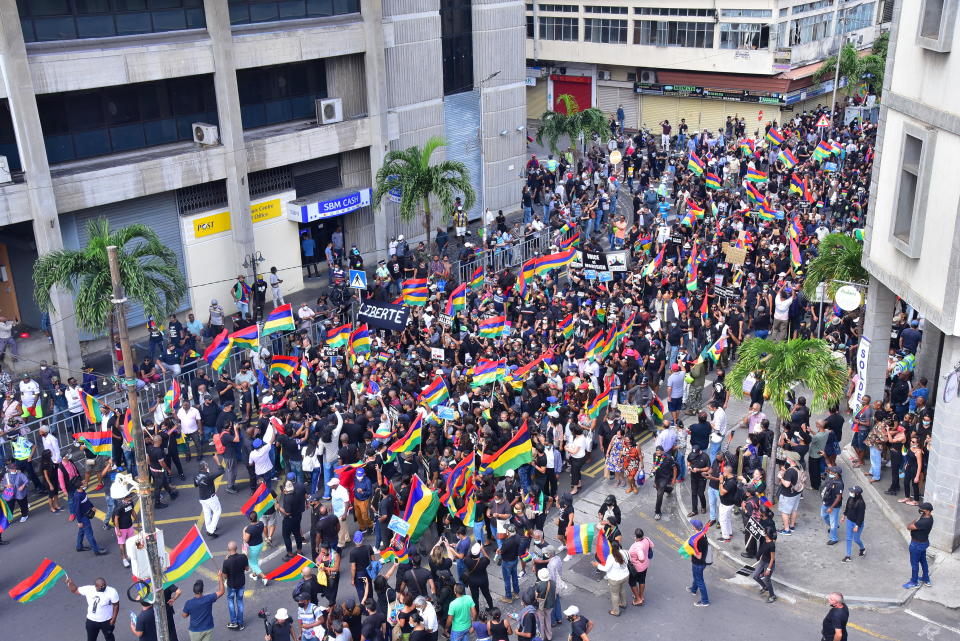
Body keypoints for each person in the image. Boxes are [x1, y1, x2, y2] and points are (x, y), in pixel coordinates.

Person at [66, 576, 120, 641]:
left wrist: (113, 620)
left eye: (104, 585)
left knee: (109, 637)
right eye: (101, 586)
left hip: (106, 621)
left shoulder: (112, 591)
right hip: (91, 621)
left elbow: (116, 605)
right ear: (96, 586)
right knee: (91, 639)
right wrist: (70, 583)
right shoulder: (88, 589)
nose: (103, 587)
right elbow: (75, 590)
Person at [181, 577, 225, 641]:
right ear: (202, 590)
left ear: (194, 591)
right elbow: (222, 591)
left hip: (195, 630)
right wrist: (220, 578)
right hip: (208, 628)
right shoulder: (208, 599)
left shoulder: (189, 603)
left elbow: (184, 615)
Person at [592, 540, 630, 616]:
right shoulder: (625, 552)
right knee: (622, 590)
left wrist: (597, 565)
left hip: (615, 579)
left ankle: (616, 611)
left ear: (611, 548)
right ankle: (623, 603)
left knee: (615, 594)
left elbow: (606, 569)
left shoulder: (611, 557)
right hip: (625, 575)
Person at [70, 484, 109, 555]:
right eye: (83, 483)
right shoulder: (77, 496)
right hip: (83, 517)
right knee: (89, 534)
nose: (85, 483)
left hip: (85, 515)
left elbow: (86, 500)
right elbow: (77, 510)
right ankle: (96, 550)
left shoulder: (83, 492)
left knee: (81, 531)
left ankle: (79, 546)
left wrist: (92, 506)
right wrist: (79, 521)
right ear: (79, 486)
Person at [903, 502, 933, 589]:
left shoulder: (924, 522)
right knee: (923, 561)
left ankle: (914, 582)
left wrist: (914, 521)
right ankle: (926, 578)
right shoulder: (929, 517)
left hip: (916, 544)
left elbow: (909, 527)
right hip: (923, 543)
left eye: (922, 509)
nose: (920, 510)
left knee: (914, 563)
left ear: (927, 511)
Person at [220, 540, 249, 630]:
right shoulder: (243, 557)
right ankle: (240, 623)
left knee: (231, 602)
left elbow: (225, 577)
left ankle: (234, 622)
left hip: (231, 585)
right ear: (236, 548)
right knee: (240, 602)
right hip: (241, 583)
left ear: (228, 549)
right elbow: (247, 568)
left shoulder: (226, 562)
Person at [193, 461, 223, 538]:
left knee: (207, 513)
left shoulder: (196, 476)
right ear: (205, 468)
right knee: (217, 512)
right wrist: (218, 462)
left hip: (202, 498)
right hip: (211, 498)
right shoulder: (208, 476)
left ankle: (209, 528)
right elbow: (221, 471)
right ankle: (211, 530)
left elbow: (196, 485)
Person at [840, 485, 866, 563]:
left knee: (856, 539)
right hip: (849, 521)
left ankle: (862, 548)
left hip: (857, 523)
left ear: (857, 494)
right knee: (848, 538)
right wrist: (844, 515)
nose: (850, 493)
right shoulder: (850, 498)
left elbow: (861, 516)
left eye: (852, 492)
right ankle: (848, 556)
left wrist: (857, 525)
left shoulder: (861, 503)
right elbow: (847, 508)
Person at [687, 519, 710, 607]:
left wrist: (690, 551)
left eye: (692, 525)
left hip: (698, 563)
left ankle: (705, 601)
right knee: (696, 577)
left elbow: (699, 556)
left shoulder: (697, 540)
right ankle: (693, 590)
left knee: (700, 581)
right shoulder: (703, 535)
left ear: (694, 527)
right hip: (702, 562)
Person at [627, 528, 653, 606]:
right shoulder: (646, 539)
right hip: (645, 565)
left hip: (637, 568)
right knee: (642, 580)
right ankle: (641, 596)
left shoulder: (637, 546)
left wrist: (638, 559)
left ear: (635, 536)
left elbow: (641, 558)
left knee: (632, 582)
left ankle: (638, 599)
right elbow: (652, 545)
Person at [243, 511, 269, 586]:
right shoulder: (261, 523)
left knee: (252, 563)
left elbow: (246, 540)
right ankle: (254, 575)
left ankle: (264, 577)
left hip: (253, 547)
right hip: (260, 544)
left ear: (250, 519)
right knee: (255, 559)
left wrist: (244, 531)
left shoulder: (249, 529)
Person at [752, 528, 777, 603]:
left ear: (767, 534)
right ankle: (764, 587)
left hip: (769, 563)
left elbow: (772, 558)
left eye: (764, 531)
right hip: (762, 561)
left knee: (767, 580)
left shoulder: (772, 545)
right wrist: (761, 557)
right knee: (755, 576)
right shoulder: (764, 540)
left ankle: (772, 595)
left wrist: (769, 569)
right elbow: (763, 550)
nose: (762, 532)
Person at [820, 466, 844, 545]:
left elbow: (838, 498)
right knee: (823, 516)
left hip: (833, 506)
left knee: (833, 523)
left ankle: (834, 538)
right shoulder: (832, 478)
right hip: (826, 502)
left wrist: (831, 507)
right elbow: (828, 464)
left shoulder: (839, 484)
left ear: (837, 474)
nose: (830, 473)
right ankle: (834, 526)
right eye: (830, 472)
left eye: (832, 472)